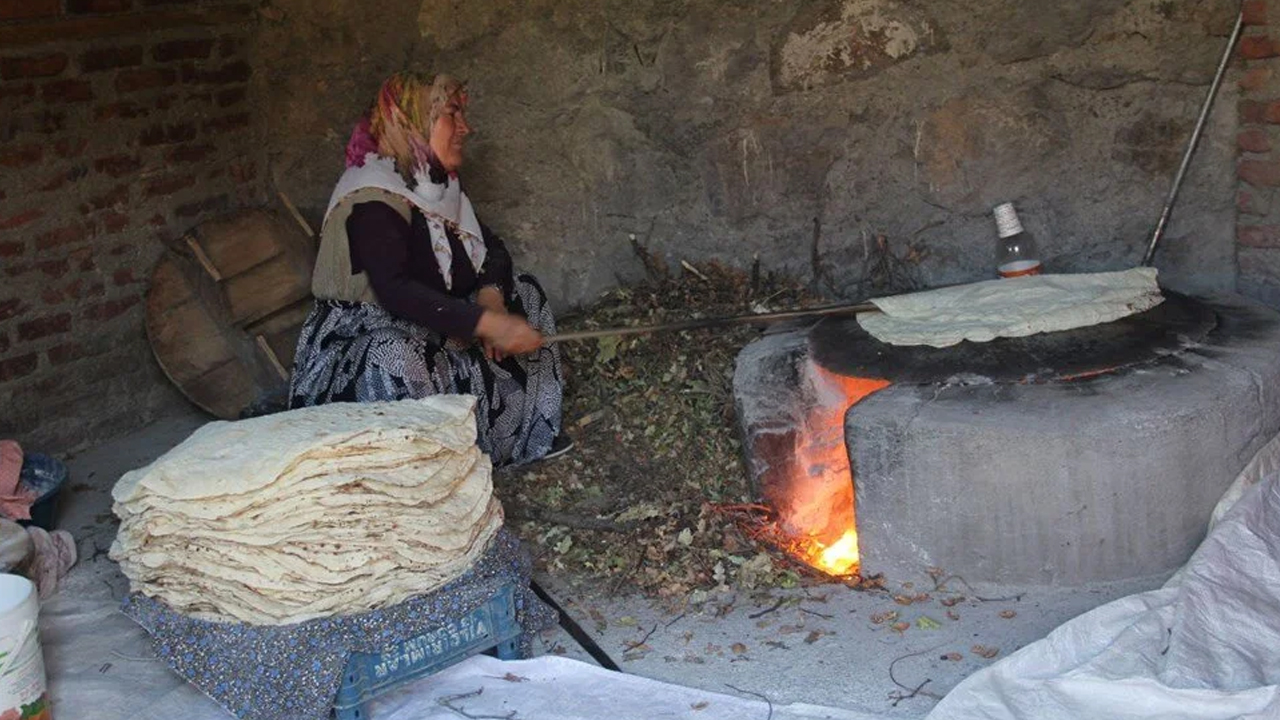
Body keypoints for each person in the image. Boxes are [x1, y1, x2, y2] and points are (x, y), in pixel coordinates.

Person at [289, 72, 567, 466]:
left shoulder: (434, 187)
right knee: (393, 353)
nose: (465, 128)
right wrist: (486, 324)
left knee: (524, 291)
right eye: (452, 115)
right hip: (372, 337)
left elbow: (493, 249)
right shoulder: (370, 197)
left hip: (437, 320)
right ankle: (422, 472)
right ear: (409, 122)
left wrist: (492, 298)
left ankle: (525, 438)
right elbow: (395, 291)